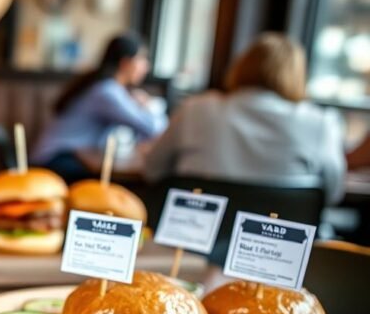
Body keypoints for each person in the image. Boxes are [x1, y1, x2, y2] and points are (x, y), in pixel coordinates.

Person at [144, 33, 346, 204]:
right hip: (277, 247)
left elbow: (152, 169)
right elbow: (333, 194)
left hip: (190, 241)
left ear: (241, 66)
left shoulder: (196, 109)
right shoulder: (320, 123)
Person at [31, 33, 166, 183]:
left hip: (61, 157)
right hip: (55, 160)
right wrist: (148, 106)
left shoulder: (102, 85)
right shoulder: (107, 91)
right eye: (142, 59)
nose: (146, 66)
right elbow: (152, 129)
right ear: (125, 63)